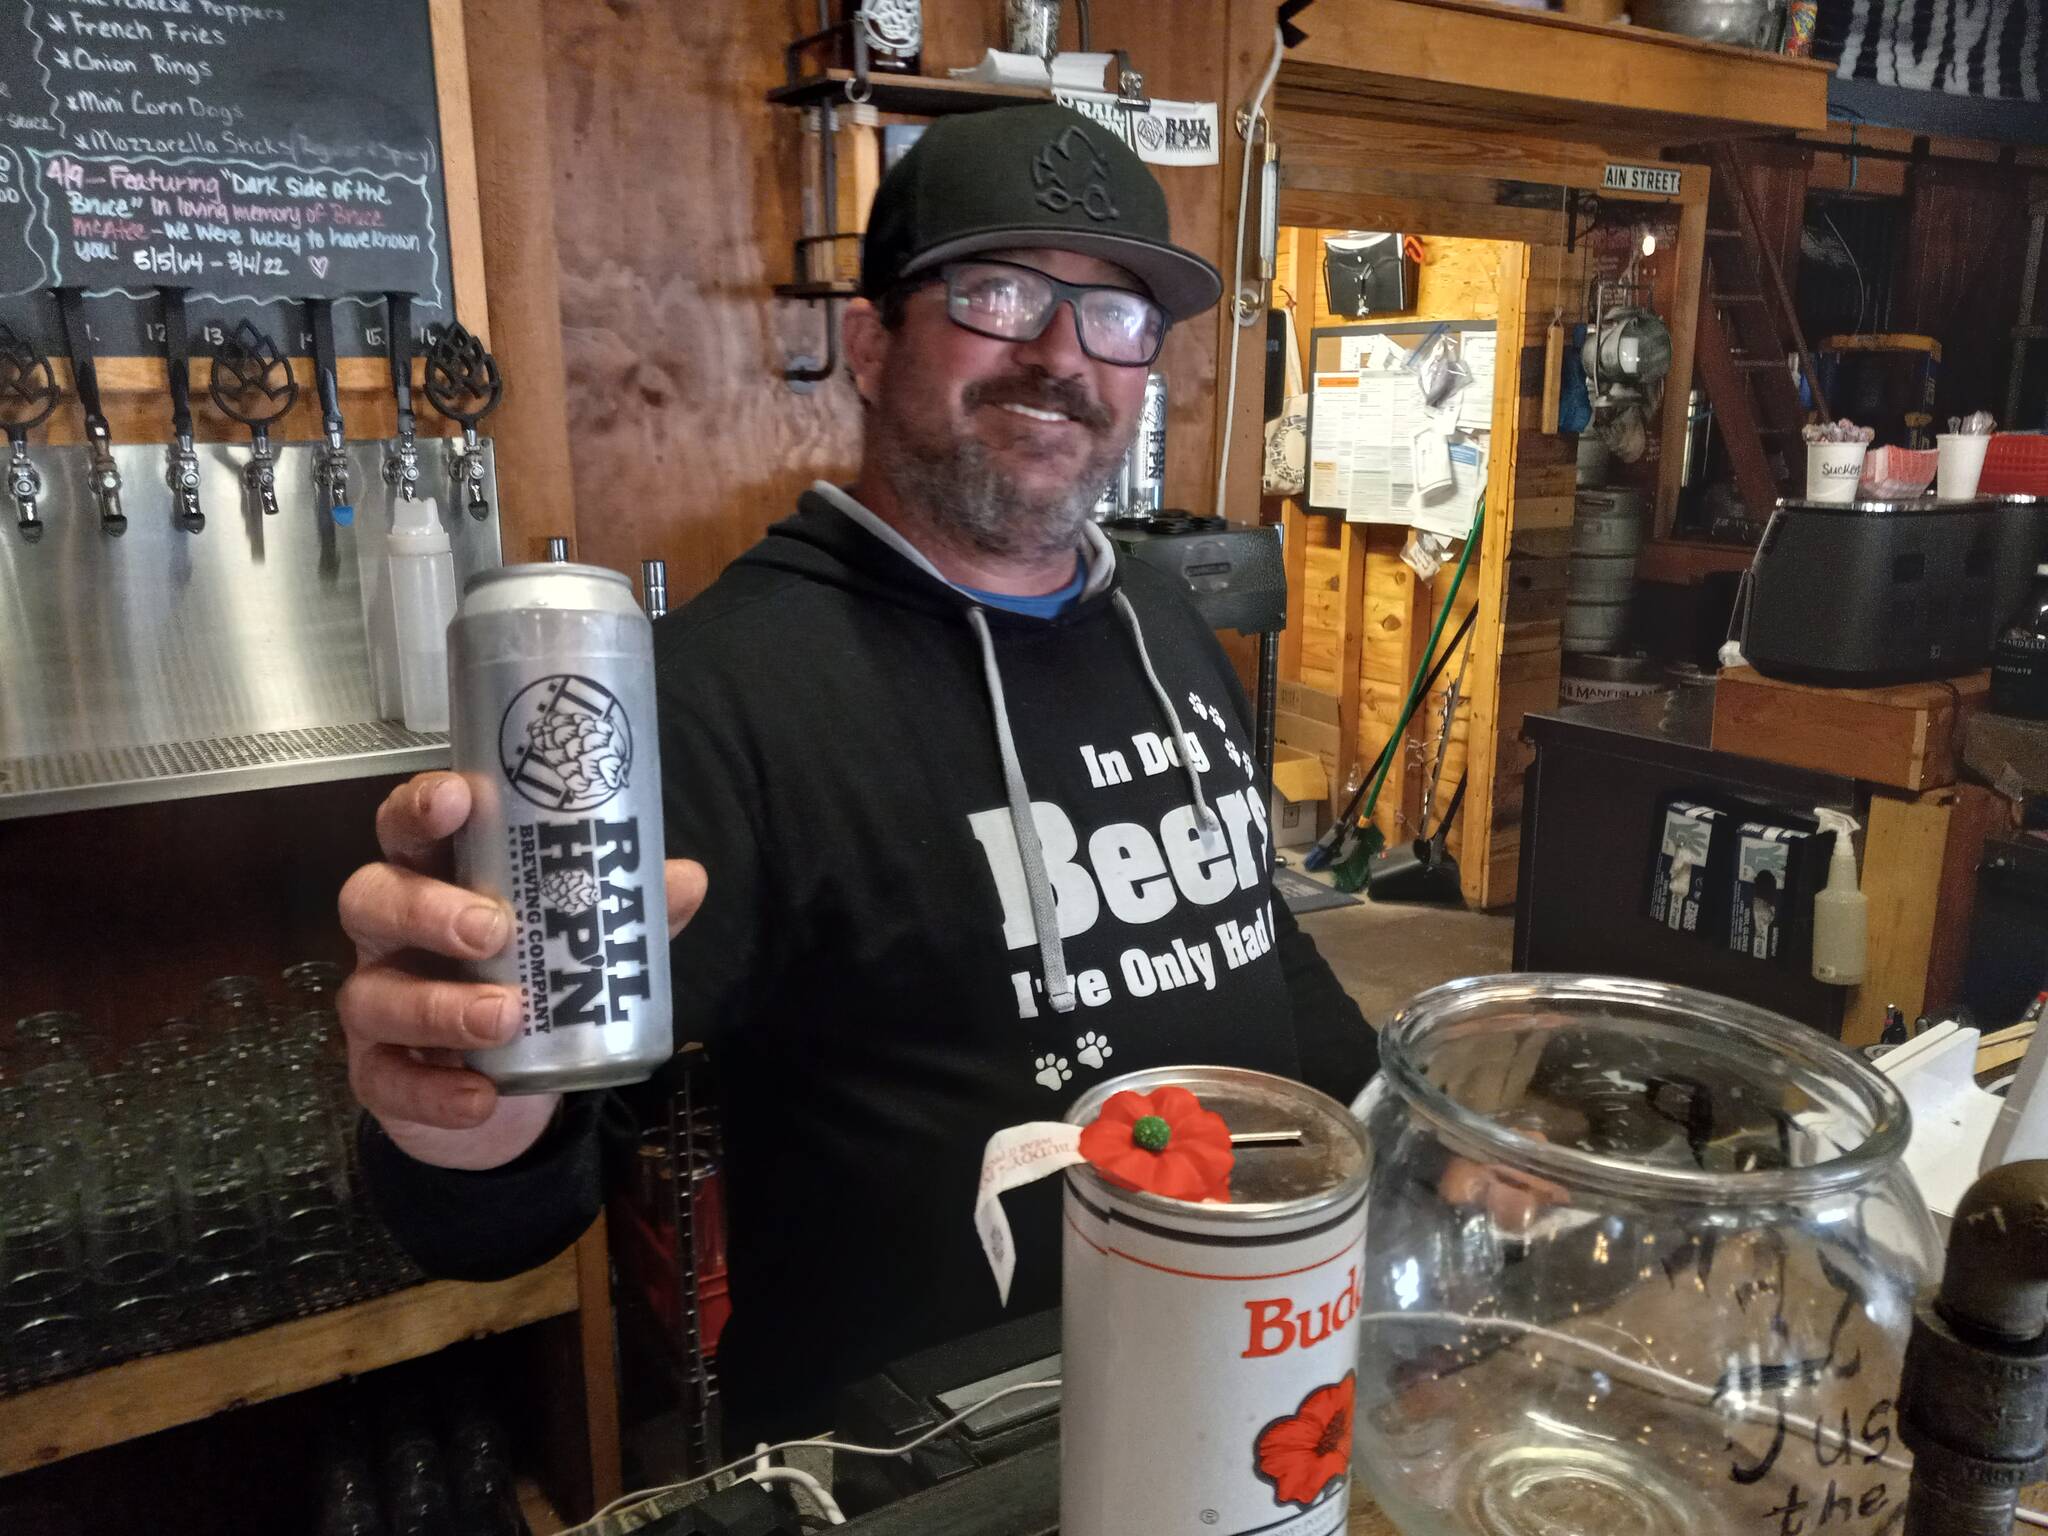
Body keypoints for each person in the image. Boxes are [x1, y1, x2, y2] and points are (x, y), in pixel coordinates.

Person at [339, 103, 1378, 1444]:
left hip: (1248, 1374)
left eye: (1119, 316)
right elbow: (513, 1185)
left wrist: (1410, 1139)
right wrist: (461, 1119)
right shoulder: (713, 691)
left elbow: (1246, 927)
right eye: (1001, 295)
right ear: (872, 344)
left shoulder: (1160, 615)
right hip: (932, 1465)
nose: (1064, 356)